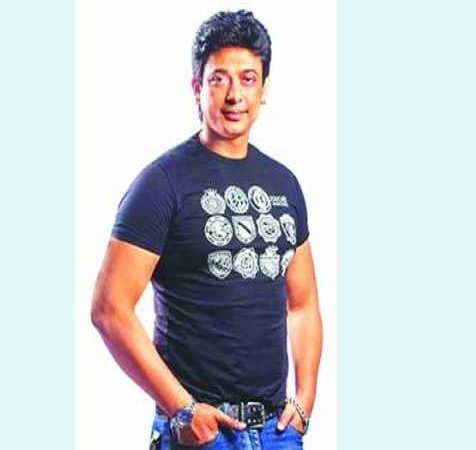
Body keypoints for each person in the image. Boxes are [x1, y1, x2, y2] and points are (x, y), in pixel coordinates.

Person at [91, 9, 323, 449]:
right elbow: (109, 309)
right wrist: (183, 408)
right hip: (199, 432)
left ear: (264, 89)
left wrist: (305, 399)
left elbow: (303, 304)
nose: (234, 95)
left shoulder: (284, 184)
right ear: (197, 88)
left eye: (248, 79)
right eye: (219, 79)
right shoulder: (161, 184)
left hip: (277, 432)